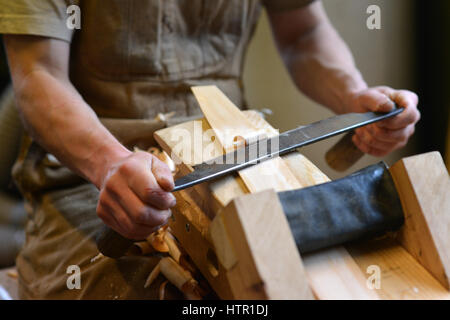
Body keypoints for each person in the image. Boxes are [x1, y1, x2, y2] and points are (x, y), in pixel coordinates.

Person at [0, 0, 420, 299]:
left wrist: (353, 94)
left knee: (335, 273)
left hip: (235, 155)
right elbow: (37, 73)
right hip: (96, 179)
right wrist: (109, 164)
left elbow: (303, 31)